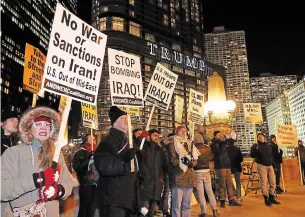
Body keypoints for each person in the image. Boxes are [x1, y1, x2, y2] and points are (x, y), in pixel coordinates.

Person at [1, 106, 74, 217]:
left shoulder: (56, 155)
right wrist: (38, 180)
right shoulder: (14, 153)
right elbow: (3, 190)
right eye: (38, 124)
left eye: (47, 125)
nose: (43, 128)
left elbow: (68, 182)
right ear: (29, 127)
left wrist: (57, 191)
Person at [94, 106, 138, 217]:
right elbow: (103, 166)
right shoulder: (107, 142)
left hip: (127, 198)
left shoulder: (129, 141)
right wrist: (123, 159)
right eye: (123, 118)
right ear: (114, 123)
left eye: (127, 119)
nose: (127, 121)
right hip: (113, 200)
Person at [168, 125, 200, 217]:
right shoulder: (172, 143)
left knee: (187, 205)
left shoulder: (189, 144)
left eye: (185, 131)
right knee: (176, 206)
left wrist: (191, 163)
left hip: (189, 178)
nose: (183, 133)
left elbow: (195, 160)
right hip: (178, 178)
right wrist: (184, 161)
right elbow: (173, 161)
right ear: (177, 132)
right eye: (181, 131)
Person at [136, 129, 165, 217]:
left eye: (158, 136)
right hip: (146, 183)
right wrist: (142, 137)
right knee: (144, 209)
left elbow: (162, 166)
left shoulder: (159, 149)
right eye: (154, 135)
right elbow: (138, 146)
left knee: (152, 211)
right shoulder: (145, 148)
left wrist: (161, 178)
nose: (157, 137)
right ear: (149, 137)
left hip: (156, 184)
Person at [210, 130, 241, 208]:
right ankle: (222, 200)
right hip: (220, 166)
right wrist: (220, 142)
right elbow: (217, 152)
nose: (220, 136)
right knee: (222, 184)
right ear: (215, 136)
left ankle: (231, 199)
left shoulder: (223, 143)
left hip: (227, 166)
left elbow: (232, 140)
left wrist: (228, 138)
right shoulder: (213, 144)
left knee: (229, 183)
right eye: (218, 135)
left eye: (221, 134)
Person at [250, 133, 280, 206]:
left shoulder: (268, 146)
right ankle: (266, 198)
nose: (260, 138)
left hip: (270, 165)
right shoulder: (255, 145)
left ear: (264, 137)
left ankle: (271, 197)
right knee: (264, 182)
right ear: (257, 138)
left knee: (273, 182)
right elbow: (252, 155)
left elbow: (271, 156)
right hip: (261, 166)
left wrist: (274, 166)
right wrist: (256, 149)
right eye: (259, 137)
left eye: (262, 136)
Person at [72, 134, 99, 217]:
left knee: (92, 208)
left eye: (94, 138)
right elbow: (78, 168)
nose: (93, 140)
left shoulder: (97, 152)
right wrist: (88, 157)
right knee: (84, 208)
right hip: (86, 183)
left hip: (96, 183)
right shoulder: (80, 152)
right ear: (86, 140)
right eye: (91, 138)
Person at [193, 134, 219, 217]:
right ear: (201, 139)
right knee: (210, 191)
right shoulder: (207, 147)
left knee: (201, 193)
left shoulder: (193, 148)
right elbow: (211, 157)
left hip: (198, 171)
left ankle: (204, 211)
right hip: (207, 170)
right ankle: (215, 211)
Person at [226, 132, 243, 202]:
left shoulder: (226, 149)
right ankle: (238, 196)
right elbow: (241, 159)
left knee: (228, 183)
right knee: (238, 182)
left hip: (229, 167)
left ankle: (229, 197)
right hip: (237, 166)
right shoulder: (237, 148)